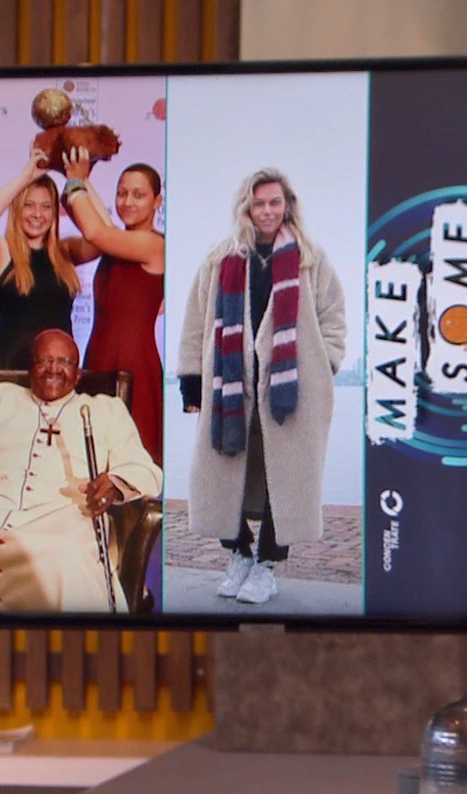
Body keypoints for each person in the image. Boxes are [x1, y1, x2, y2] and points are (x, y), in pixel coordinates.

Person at [175, 167, 347, 606]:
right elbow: (195, 321)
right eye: (259, 203)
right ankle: (239, 555)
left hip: (293, 390)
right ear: (246, 207)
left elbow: (334, 319)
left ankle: (267, 565)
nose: (267, 211)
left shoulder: (311, 259)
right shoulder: (220, 258)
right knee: (216, 472)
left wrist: (323, 364)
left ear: (287, 206)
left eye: (275, 202)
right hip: (228, 386)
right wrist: (191, 382)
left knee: (284, 478)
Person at [0, 330, 162, 612]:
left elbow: (145, 470)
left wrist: (113, 483)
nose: (54, 369)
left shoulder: (105, 410)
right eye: (45, 361)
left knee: (61, 557)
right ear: (31, 366)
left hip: (66, 514)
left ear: (78, 373)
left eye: (65, 362)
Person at [60, 147, 167, 463]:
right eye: (121, 193)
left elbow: (95, 230)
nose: (128, 201)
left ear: (157, 201)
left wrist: (77, 180)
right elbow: (94, 220)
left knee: (130, 459)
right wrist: (82, 176)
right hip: (98, 359)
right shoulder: (118, 240)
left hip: (134, 365)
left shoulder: (153, 244)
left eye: (139, 195)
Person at [0, 147, 97, 370]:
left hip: (58, 372)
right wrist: (25, 177)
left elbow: (100, 236)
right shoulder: (2, 252)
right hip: (11, 370)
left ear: (55, 212)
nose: (38, 214)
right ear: (17, 208)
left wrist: (79, 180)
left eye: (46, 207)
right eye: (29, 205)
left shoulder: (64, 252)